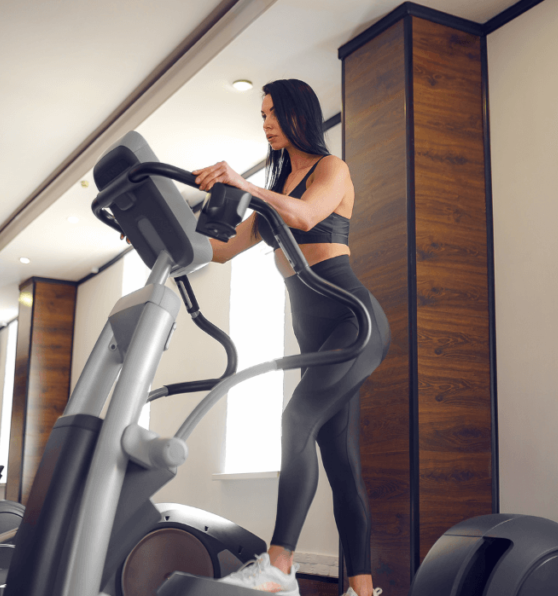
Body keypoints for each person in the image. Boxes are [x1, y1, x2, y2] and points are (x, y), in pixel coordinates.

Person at [192, 79, 390, 596]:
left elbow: (305, 214)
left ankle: (279, 565)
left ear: (300, 112)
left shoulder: (331, 169)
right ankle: (364, 592)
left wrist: (245, 183)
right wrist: (156, 232)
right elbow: (218, 251)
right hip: (319, 337)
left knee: (295, 417)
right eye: (261, 116)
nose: (266, 123)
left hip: (355, 321)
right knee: (341, 463)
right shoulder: (273, 197)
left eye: (273, 113)